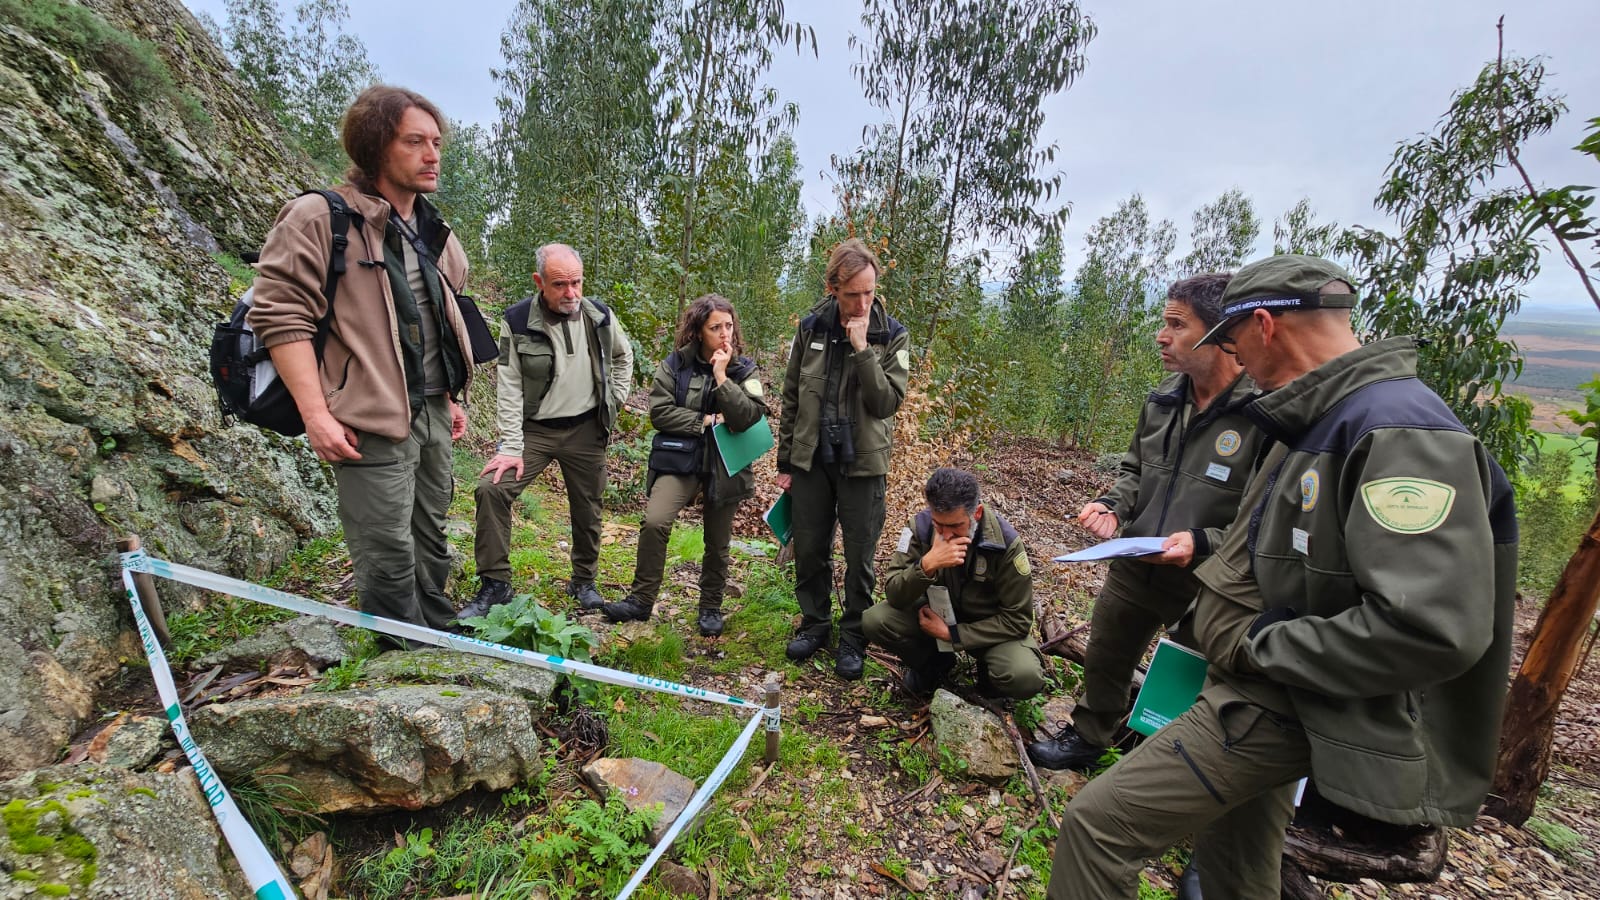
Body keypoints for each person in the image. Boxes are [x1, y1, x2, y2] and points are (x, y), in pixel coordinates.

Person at [1046, 255, 1517, 899]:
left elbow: (1430, 627)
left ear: (1264, 326)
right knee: (1238, 870)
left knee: (1097, 828)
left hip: (1279, 700)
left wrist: (1256, 644)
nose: (1235, 357)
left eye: (1233, 339)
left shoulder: (1399, 433)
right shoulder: (1318, 416)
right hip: (1257, 687)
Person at [249, 85, 475, 640]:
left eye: (437, 142)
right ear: (376, 146)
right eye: (415, 141)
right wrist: (315, 414)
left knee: (431, 534)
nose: (432, 155)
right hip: (366, 417)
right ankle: (400, 653)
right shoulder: (319, 218)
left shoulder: (434, 232)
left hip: (430, 410)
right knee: (385, 544)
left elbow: (440, 320)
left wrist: (450, 394)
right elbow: (281, 316)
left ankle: (439, 635)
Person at [1028, 273, 1264, 771]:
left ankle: (1171, 762)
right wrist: (1113, 506)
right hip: (1137, 560)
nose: (1162, 336)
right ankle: (1091, 735)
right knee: (1107, 653)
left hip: (1209, 579)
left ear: (1220, 333)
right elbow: (1136, 470)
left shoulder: (1261, 415)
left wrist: (1199, 542)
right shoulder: (1162, 401)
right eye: (1164, 323)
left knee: (1194, 673)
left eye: (1177, 325)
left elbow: (1261, 519)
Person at [462, 243, 634, 621]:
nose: (570, 293)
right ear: (539, 282)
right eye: (560, 285)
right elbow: (508, 384)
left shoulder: (600, 315)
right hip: (534, 431)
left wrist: (614, 400)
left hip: (586, 429)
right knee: (492, 489)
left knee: (588, 508)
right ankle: (495, 584)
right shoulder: (518, 320)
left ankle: (583, 581)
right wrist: (510, 444)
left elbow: (623, 357)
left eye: (576, 283)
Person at [776, 239, 911, 680]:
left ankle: (854, 635)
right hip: (813, 459)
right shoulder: (810, 326)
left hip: (863, 464)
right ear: (832, 286)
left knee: (860, 555)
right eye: (853, 293)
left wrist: (862, 349)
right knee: (810, 548)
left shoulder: (891, 334)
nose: (863, 302)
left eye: (870, 292)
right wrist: (785, 462)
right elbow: (792, 396)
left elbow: (886, 400)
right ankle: (815, 623)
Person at [600, 295, 768, 636]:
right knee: (654, 521)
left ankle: (710, 607)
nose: (725, 335)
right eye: (715, 327)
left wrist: (722, 377)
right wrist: (705, 420)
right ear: (698, 331)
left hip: (726, 463)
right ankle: (641, 600)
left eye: (729, 326)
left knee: (717, 542)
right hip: (681, 459)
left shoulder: (745, 369)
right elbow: (660, 411)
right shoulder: (676, 364)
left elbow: (748, 416)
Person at [868, 468, 1044, 700]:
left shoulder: (1006, 544)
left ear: (977, 513)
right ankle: (934, 666)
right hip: (935, 618)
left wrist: (955, 635)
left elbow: (1018, 620)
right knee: (875, 620)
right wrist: (927, 565)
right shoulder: (919, 528)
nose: (946, 535)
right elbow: (894, 593)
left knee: (1024, 676)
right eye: (939, 525)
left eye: (956, 526)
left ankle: (990, 682)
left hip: (988, 630)